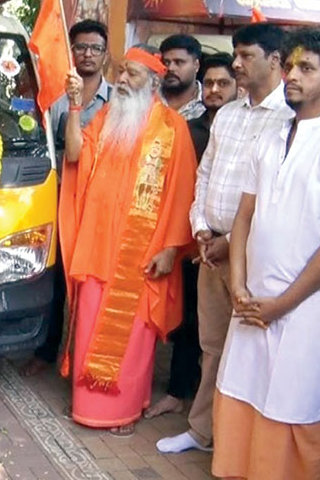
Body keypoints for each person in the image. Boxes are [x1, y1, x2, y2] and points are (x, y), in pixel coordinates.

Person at [213, 26, 320, 480]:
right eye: (291, 67)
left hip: (307, 309)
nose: (292, 76)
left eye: (307, 68)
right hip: (253, 301)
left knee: (296, 408)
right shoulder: (269, 138)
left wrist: (283, 303)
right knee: (244, 395)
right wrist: (239, 285)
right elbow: (244, 218)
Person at [157, 24, 294, 454]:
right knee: (211, 345)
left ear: (274, 60)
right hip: (210, 249)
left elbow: (277, 195)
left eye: (245, 55)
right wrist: (200, 227)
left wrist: (231, 241)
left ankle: (240, 441)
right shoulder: (229, 114)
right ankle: (202, 431)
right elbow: (205, 174)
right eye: (235, 53)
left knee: (251, 350)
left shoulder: (290, 118)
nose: (235, 63)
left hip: (253, 254)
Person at [59, 44, 197, 436]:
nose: (121, 79)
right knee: (88, 325)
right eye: (121, 71)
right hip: (97, 245)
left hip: (141, 253)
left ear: (152, 82)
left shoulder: (174, 129)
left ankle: (122, 410)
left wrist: (171, 249)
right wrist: (73, 107)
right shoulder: (105, 116)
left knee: (133, 337)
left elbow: (183, 191)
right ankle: (87, 405)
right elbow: (74, 154)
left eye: (132, 74)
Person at [147, 53, 238, 420]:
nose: (215, 90)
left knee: (227, 334)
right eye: (212, 83)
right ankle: (177, 393)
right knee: (190, 323)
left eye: (224, 83)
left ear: (237, 87)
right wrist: (198, 232)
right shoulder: (191, 128)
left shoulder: (239, 130)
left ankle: (220, 411)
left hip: (235, 242)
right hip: (191, 236)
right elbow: (188, 184)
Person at [22, 19, 110, 378]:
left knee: (89, 282)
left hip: (99, 205)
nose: (87, 54)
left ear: (106, 55)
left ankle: (85, 354)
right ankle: (47, 351)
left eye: (95, 48)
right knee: (54, 276)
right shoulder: (54, 97)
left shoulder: (118, 100)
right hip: (58, 198)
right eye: (81, 47)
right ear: (70, 52)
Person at [159, 34, 205, 121]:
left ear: (196, 65)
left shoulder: (208, 101)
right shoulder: (149, 98)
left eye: (179, 62)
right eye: (166, 62)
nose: (170, 68)